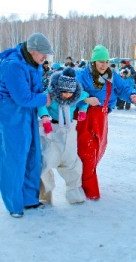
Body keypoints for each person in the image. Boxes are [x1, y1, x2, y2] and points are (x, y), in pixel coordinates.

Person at [0, 33, 53, 218]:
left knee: (33, 155)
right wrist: (45, 99)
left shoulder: (35, 64)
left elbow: (37, 91)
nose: (45, 57)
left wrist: (46, 99)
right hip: (11, 115)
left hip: (28, 113)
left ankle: (30, 199)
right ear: (32, 51)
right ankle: (14, 205)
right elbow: (22, 97)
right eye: (43, 53)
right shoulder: (13, 65)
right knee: (14, 160)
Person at [76, 45, 136, 200]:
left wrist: (132, 95)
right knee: (87, 153)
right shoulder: (83, 75)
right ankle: (89, 190)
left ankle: (81, 181)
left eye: (106, 61)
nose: (103, 65)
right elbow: (71, 92)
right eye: (100, 61)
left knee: (98, 151)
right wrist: (85, 98)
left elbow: (123, 88)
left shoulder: (112, 76)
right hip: (84, 117)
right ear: (93, 62)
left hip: (102, 118)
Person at [38, 67, 88, 205]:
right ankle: (44, 196)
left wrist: (83, 109)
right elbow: (41, 103)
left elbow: (86, 98)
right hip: (52, 132)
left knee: (73, 164)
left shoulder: (76, 95)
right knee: (45, 162)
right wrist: (44, 117)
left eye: (70, 93)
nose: (67, 95)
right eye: (64, 92)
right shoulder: (51, 95)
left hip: (69, 130)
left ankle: (75, 194)